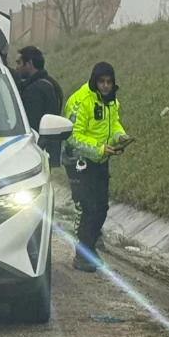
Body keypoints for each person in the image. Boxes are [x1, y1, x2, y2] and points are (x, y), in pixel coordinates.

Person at [63, 61, 129, 273]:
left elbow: (113, 123)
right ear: (94, 81)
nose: (106, 86)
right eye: (102, 82)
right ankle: (82, 255)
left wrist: (120, 136)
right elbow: (73, 136)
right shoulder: (81, 101)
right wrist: (99, 148)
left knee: (101, 208)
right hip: (80, 162)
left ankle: (90, 247)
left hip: (100, 161)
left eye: (109, 82)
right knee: (87, 208)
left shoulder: (112, 100)